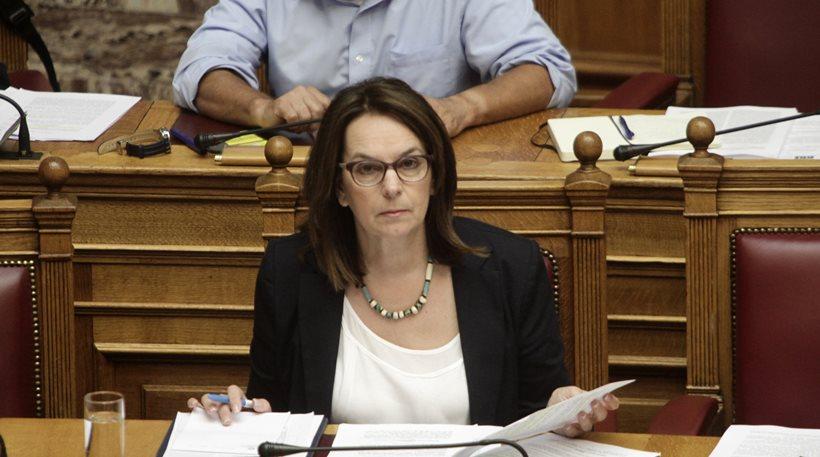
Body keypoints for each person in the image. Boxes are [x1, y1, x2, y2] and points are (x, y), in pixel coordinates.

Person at [187, 77, 616, 434]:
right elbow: (272, 410)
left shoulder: (511, 266)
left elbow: (541, 406)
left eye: (409, 164)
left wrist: (562, 408)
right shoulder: (290, 271)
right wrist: (239, 413)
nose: (392, 187)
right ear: (339, 188)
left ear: (434, 175)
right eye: (367, 169)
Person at [172, 0, 576, 137]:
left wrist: (462, 108)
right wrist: (262, 109)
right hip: (305, 182)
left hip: (434, 185)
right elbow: (201, 69)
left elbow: (545, 72)